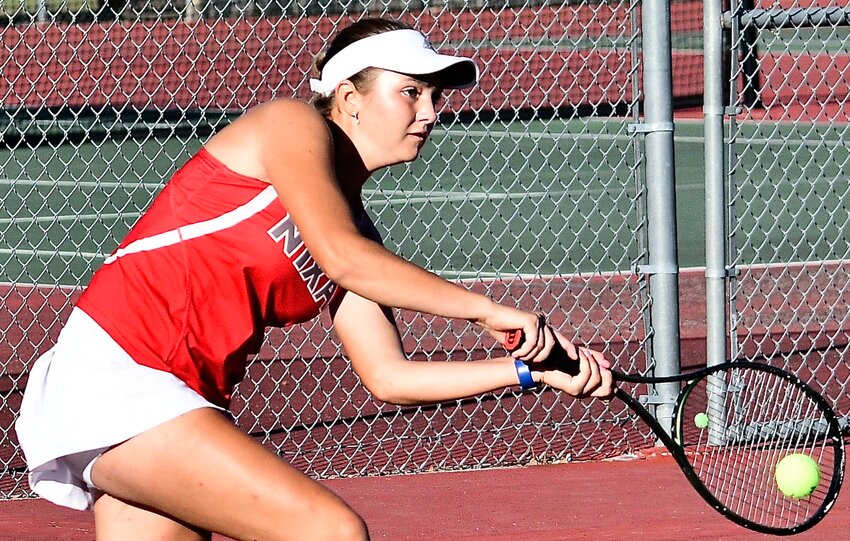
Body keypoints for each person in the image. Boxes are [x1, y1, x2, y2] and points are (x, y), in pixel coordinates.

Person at [15, 17, 613, 541]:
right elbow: (343, 259)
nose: (429, 112)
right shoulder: (291, 124)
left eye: (433, 96)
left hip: (182, 402)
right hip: (115, 377)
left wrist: (532, 370)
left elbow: (389, 377)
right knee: (327, 531)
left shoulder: (352, 227)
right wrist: (486, 310)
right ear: (349, 97)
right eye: (410, 93)